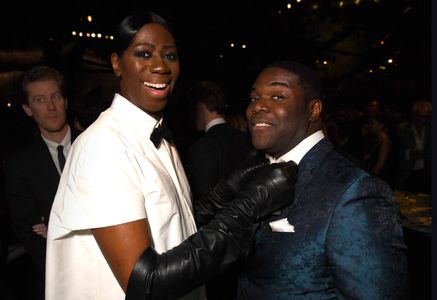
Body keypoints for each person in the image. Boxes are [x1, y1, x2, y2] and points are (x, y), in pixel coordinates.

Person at [46, 12, 297, 300]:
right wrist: (248, 208)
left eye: (170, 56)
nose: (160, 66)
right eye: (144, 54)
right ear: (117, 63)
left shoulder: (159, 138)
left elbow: (171, 226)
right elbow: (145, 283)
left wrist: (227, 192)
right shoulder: (104, 146)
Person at [235, 61, 409, 299]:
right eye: (254, 98)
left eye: (277, 96)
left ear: (313, 110)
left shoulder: (357, 191)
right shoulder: (252, 170)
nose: (257, 107)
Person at [4, 65, 81, 300]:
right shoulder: (20, 166)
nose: (51, 106)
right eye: (40, 99)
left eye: (56, 96)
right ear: (28, 109)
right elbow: (29, 233)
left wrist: (55, 228)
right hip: (59, 282)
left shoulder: (93, 145)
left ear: (65, 101)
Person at [186, 80, 252, 299]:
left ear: (201, 107)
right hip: (248, 246)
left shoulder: (201, 148)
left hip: (217, 251)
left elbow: (205, 207)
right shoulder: (246, 140)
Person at [394, 100, 431, 193]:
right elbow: (394, 152)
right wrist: (409, 154)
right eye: (420, 116)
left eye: (425, 117)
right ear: (413, 115)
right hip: (408, 174)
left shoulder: (431, 129)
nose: (422, 120)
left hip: (426, 174)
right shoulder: (402, 129)